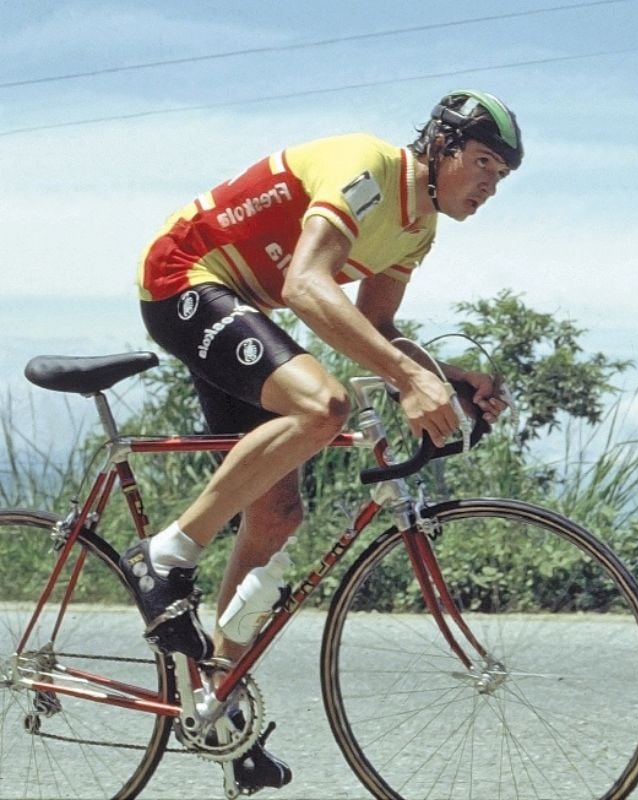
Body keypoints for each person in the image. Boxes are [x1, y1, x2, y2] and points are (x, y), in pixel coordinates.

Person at [119, 89, 521, 794]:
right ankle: (164, 554)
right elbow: (307, 285)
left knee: (276, 515)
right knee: (325, 405)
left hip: (241, 303)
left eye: (502, 174)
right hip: (186, 274)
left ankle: (217, 703)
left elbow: (381, 330)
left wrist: (448, 380)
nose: (490, 184)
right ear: (442, 147)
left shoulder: (419, 231)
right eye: (483, 162)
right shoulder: (368, 169)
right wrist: (403, 378)